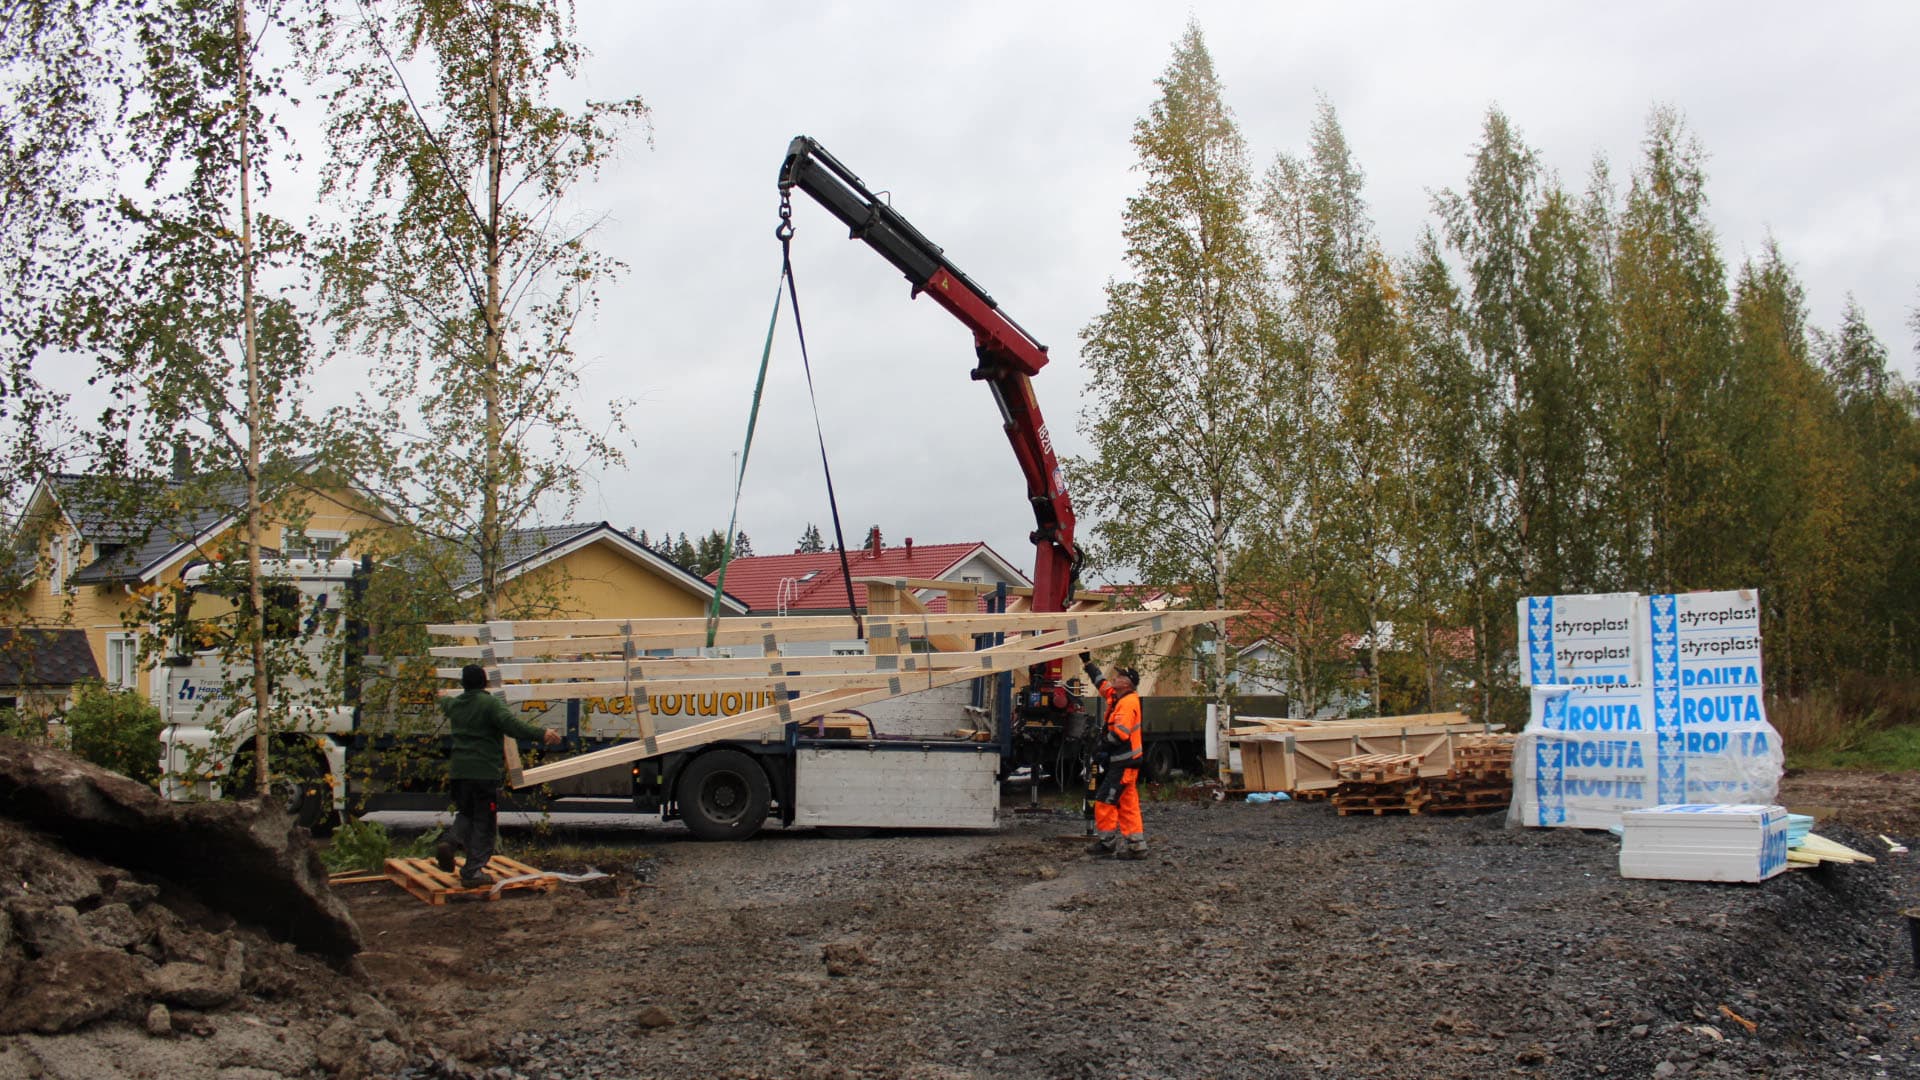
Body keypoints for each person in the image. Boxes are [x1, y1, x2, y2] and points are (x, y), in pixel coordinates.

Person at [437, 663, 561, 887]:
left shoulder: (456, 705)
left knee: (466, 813)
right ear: (484, 682)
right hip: (483, 773)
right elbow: (513, 726)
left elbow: (444, 701)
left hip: (459, 773)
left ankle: (450, 841)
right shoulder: (490, 705)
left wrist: (442, 694)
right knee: (484, 822)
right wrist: (543, 733)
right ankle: (473, 872)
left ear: (463, 684)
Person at [1081, 653, 1148, 860]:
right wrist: (1087, 663)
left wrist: (1102, 747)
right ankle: (1137, 846)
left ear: (1126, 684)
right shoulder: (1117, 696)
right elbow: (1101, 684)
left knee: (1104, 801)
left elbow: (1120, 733)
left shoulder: (1127, 704)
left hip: (1123, 761)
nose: (1114, 678)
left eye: (1119, 677)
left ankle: (1107, 842)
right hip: (1126, 762)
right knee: (1128, 804)